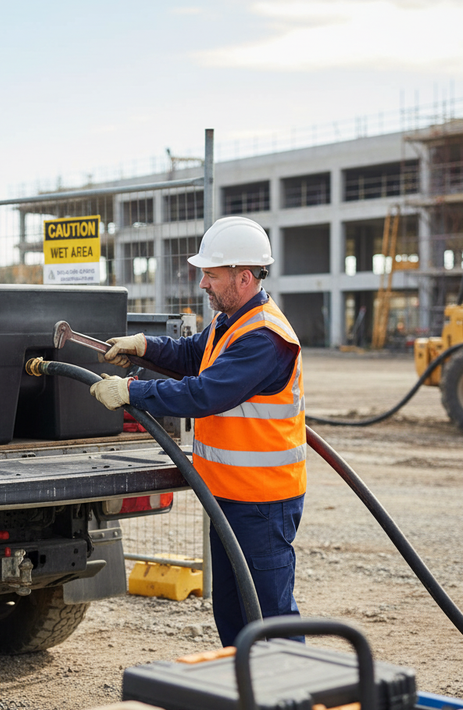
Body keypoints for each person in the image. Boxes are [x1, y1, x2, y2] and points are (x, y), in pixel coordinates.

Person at [89, 216, 306, 647]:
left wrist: (132, 391)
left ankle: (289, 704)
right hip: (229, 495)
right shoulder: (232, 321)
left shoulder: (265, 337)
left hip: (262, 502)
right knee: (232, 612)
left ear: (244, 277)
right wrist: (144, 346)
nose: (203, 283)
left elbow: (204, 393)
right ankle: (246, 701)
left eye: (211, 273)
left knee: (269, 617)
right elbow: (194, 354)